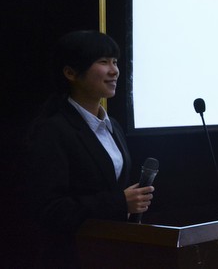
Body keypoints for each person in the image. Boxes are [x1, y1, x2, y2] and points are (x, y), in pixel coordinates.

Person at [25, 30, 154, 268]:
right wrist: (119, 203)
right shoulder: (52, 129)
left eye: (115, 62)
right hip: (71, 257)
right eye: (103, 62)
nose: (114, 71)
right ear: (70, 73)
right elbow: (49, 210)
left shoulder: (112, 126)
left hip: (111, 252)